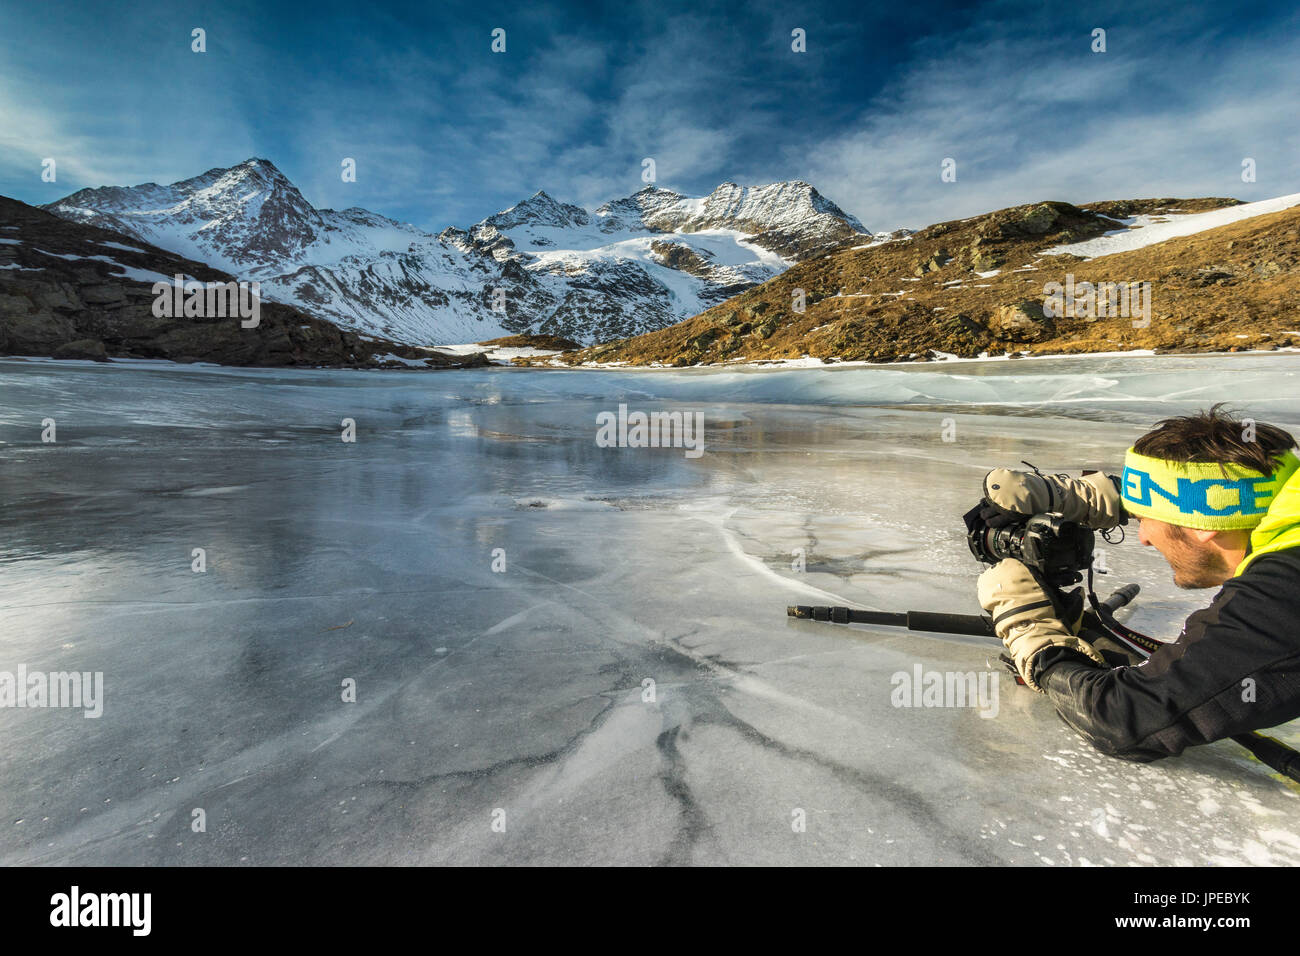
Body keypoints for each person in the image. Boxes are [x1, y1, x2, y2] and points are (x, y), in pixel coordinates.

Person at [975, 404, 1300, 761]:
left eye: (1144, 516)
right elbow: (1209, 494)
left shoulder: (1282, 597)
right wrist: (1078, 497)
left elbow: (1122, 719)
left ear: (1204, 525)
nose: (1143, 536)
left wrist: (1032, 631)